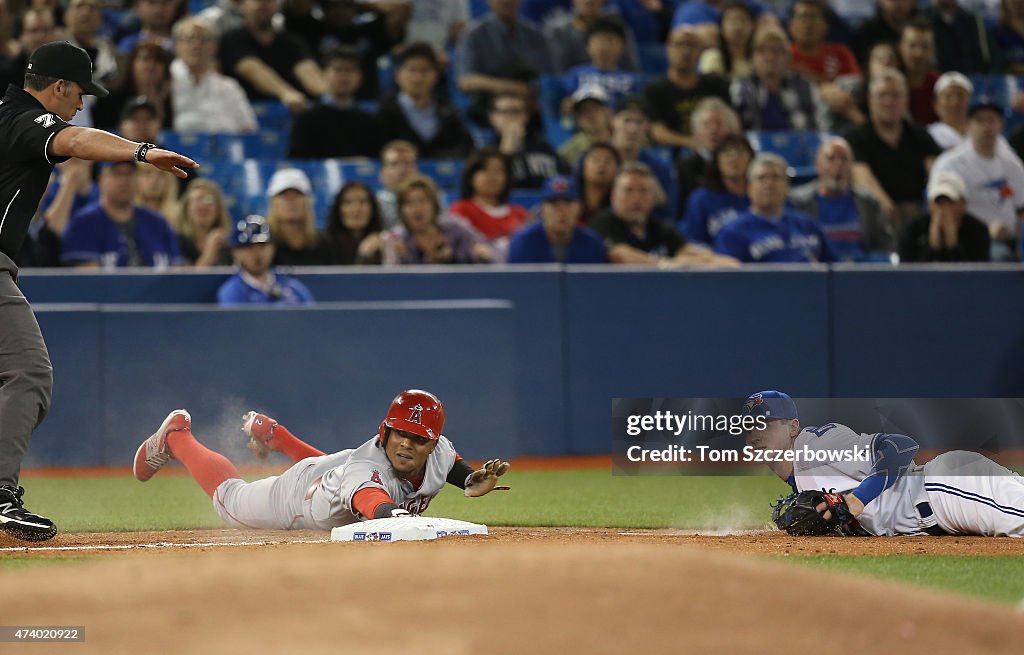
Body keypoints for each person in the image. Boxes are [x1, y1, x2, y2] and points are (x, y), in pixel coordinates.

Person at [0, 40, 196, 541]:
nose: (80, 102)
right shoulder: (24, 118)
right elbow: (77, 141)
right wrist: (142, 151)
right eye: (78, 92)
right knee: (29, 373)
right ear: (59, 86)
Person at [133, 390, 511, 530]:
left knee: (335, 465)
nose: (407, 444)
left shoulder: (440, 450)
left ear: (433, 443)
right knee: (230, 501)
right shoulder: (369, 468)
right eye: (400, 434)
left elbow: (458, 472)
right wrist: (394, 518)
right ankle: (177, 436)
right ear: (385, 432)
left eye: (418, 438)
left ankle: (278, 437)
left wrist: (475, 481)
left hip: (335, 470)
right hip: (299, 498)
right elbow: (371, 502)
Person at [742, 390, 1024, 537]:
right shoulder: (802, 478)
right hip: (941, 509)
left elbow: (901, 446)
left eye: (765, 424)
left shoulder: (817, 445)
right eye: (749, 426)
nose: (755, 435)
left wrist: (856, 500)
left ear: (792, 427)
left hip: (945, 490)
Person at [844, 69, 941, 228]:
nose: (889, 102)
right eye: (882, 95)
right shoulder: (855, 137)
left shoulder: (920, 134)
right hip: (878, 215)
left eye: (895, 95)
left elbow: (936, 174)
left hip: (920, 211)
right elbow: (863, 179)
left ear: (906, 100)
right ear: (870, 100)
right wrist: (886, 207)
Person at [591, 161, 738, 266]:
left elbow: (686, 250)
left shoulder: (659, 227)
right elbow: (620, 255)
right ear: (613, 196)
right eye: (628, 191)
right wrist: (665, 264)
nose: (636, 199)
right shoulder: (604, 222)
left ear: (653, 197)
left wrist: (716, 261)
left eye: (644, 191)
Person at [930, 101, 1024, 261]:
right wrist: (984, 231)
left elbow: (1021, 208)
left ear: (1001, 125)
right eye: (980, 121)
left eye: (992, 120)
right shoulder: (950, 163)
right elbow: (938, 206)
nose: (987, 127)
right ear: (967, 125)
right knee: (999, 256)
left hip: (1010, 238)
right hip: (967, 238)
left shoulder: (1012, 164)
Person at [714, 153, 836, 263]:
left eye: (776, 177)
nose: (769, 183)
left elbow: (835, 270)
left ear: (787, 186)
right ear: (749, 187)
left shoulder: (807, 225)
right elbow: (726, 281)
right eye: (761, 178)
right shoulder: (733, 232)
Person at [61, 161, 184, 268]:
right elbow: (87, 280)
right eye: (117, 173)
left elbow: (176, 270)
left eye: (130, 174)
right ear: (101, 179)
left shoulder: (157, 222)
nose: (124, 180)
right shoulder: (84, 222)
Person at [788, 137, 893, 261]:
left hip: (860, 274)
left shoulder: (869, 203)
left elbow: (883, 245)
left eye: (844, 159)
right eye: (831, 159)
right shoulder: (796, 203)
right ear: (817, 164)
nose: (838, 165)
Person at [455, 0, 554, 124]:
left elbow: (549, 76)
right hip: (488, 109)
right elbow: (465, 82)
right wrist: (513, 87)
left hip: (531, 108)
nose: (507, 1)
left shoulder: (535, 34)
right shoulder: (474, 35)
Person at [218, 0, 327, 112]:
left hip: (291, 112)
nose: (264, 4)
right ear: (242, 5)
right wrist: (286, 93)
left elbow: (307, 70)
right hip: (248, 110)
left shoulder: (291, 42)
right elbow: (253, 70)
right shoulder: (232, 40)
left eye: (269, 1)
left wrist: (328, 95)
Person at [378, 42, 473, 158]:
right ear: (397, 75)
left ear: (436, 76)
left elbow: (464, 147)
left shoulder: (449, 112)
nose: (418, 78)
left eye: (424, 70)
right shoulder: (383, 113)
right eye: (412, 70)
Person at [645, 25, 730, 149]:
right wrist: (692, 143)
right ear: (668, 48)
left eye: (692, 45)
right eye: (680, 44)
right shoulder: (655, 90)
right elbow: (657, 132)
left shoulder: (716, 84)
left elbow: (731, 121)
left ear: (700, 51)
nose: (686, 51)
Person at [288, 46, 382, 159]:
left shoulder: (370, 122)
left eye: (350, 71)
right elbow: (298, 161)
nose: (343, 77)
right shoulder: (306, 119)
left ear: (360, 78)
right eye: (338, 70)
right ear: (325, 74)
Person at [170, 16, 258, 134]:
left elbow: (248, 129)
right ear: (176, 46)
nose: (196, 45)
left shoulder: (229, 87)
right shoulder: (165, 81)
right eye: (189, 38)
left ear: (214, 47)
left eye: (204, 39)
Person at [729, 24, 826, 131]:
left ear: (787, 57)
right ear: (752, 57)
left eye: (776, 51)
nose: (770, 57)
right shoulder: (741, 86)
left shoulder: (805, 87)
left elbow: (819, 129)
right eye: (762, 50)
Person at [382, 174, 495, 265]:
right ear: (401, 209)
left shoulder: (456, 228)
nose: (417, 209)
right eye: (409, 203)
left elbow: (493, 253)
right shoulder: (396, 239)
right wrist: (401, 260)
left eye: (422, 201)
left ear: (434, 205)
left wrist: (475, 254)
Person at [787, 0, 864, 128]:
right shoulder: (784, 56)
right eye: (803, 17)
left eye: (814, 18)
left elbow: (856, 89)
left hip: (842, 118)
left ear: (826, 25)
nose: (809, 24)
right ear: (790, 25)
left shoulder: (841, 53)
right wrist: (822, 89)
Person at [507, 175, 608, 263]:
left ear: (580, 208)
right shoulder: (523, 242)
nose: (561, 211)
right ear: (542, 209)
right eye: (554, 203)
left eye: (568, 203)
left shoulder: (593, 244)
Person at [217, 214, 315, 305]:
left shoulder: (292, 288)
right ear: (236, 253)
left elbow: (312, 319)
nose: (257, 254)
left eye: (262, 246)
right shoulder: (232, 293)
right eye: (248, 247)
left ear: (273, 248)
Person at [610, 96, 678, 222]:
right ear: (613, 121)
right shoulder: (597, 161)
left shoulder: (660, 167)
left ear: (647, 126)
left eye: (639, 122)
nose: (633, 129)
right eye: (627, 120)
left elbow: (669, 214)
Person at [899, 170, 990, 262]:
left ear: (963, 203)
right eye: (938, 202)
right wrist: (933, 248)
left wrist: (953, 247)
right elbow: (908, 272)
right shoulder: (912, 230)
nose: (943, 209)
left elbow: (977, 273)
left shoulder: (978, 231)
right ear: (929, 205)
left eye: (950, 202)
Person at [680, 134, 752, 246]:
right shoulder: (701, 199)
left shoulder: (764, 196)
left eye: (740, 151)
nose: (733, 157)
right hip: (716, 260)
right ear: (717, 160)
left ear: (751, 159)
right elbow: (694, 243)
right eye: (727, 152)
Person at [449, 148, 529, 248]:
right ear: (471, 176)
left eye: (499, 171)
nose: (492, 176)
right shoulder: (462, 209)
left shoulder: (519, 213)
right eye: (485, 170)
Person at [487, 91, 568, 189]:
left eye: (516, 111)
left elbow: (564, 179)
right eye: (505, 111)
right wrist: (506, 151)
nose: (511, 117)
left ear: (526, 116)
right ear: (492, 117)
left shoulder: (544, 146)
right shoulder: (486, 152)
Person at [561, 16, 643, 109]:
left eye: (610, 40)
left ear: (622, 47)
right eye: (600, 41)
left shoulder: (632, 79)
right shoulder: (575, 74)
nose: (605, 47)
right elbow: (568, 104)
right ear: (587, 46)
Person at [675, 97, 742, 206]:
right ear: (696, 132)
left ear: (731, 130)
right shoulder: (685, 167)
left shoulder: (743, 163)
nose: (713, 130)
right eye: (706, 125)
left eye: (719, 124)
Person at [545, 0, 641, 73]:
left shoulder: (619, 28)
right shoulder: (558, 31)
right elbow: (559, 70)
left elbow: (631, 66)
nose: (589, 1)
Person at [265, 168, 331, 267]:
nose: (291, 201)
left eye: (297, 195)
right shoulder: (263, 243)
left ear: (307, 202)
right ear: (274, 202)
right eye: (284, 195)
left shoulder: (323, 243)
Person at [321, 181, 385, 266]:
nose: (356, 209)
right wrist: (363, 255)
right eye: (348, 202)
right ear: (338, 209)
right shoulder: (322, 244)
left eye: (362, 202)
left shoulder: (385, 240)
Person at [174, 178, 232, 267]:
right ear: (187, 208)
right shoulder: (176, 241)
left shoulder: (228, 243)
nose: (203, 206)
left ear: (218, 209)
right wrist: (210, 250)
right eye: (197, 200)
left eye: (209, 200)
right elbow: (187, 279)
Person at [897, 17, 940, 126]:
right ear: (901, 47)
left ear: (933, 50)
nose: (918, 53)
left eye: (925, 46)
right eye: (912, 46)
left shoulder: (940, 85)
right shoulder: (889, 86)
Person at [559, 84, 614, 167]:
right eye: (583, 111)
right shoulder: (572, 148)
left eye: (594, 108)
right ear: (577, 119)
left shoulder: (622, 139)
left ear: (607, 111)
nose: (589, 115)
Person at [698, 1, 755, 78]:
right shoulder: (712, 58)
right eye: (732, 21)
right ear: (721, 27)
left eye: (743, 20)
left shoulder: (758, 59)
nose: (738, 26)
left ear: (752, 26)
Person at [376, 140, 421, 229]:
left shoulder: (431, 201)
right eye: (394, 164)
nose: (402, 170)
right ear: (382, 173)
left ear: (417, 171)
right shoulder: (374, 204)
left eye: (407, 163)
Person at [577, 140, 621, 224]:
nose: (602, 164)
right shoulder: (570, 198)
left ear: (617, 169)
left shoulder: (620, 206)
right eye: (596, 160)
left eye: (608, 161)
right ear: (583, 166)